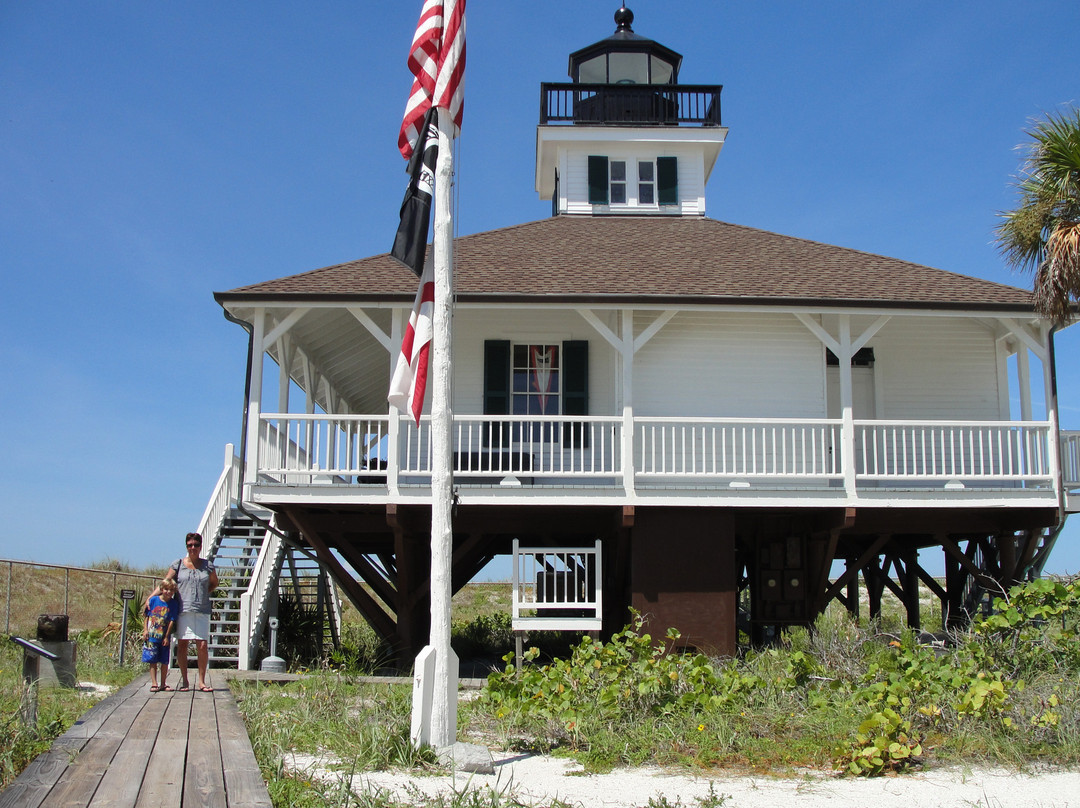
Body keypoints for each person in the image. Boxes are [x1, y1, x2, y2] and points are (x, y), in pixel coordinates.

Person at [164, 531, 219, 692]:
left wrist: (203, 593)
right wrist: (152, 599)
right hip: (183, 609)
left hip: (201, 610)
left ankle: (202, 681)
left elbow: (214, 583)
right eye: (190, 545)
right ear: (186, 547)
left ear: (200, 546)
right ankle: (185, 681)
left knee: (202, 645)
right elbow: (166, 583)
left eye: (195, 545)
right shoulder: (178, 564)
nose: (192, 548)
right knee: (182, 645)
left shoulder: (207, 565)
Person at [143, 578, 179, 692]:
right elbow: (147, 616)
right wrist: (145, 630)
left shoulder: (173, 604)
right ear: (162, 589)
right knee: (152, 659)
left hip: (164, 636)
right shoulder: (153, 600)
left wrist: (166, 636)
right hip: (152, 635)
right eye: (166, 589)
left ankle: (163, 683)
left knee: (164, 661)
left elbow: (172, 620)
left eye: (171, 590)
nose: (168, 592)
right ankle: (154, 683)